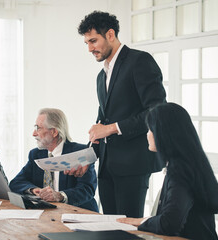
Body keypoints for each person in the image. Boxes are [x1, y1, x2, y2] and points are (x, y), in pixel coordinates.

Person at [71, 11, 166, 217]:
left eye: (93, 41)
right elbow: (102, 122)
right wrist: (87, 159)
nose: (90, 48)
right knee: (109, 229)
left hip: (133, 165)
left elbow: (156, 111)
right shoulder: (100, 76)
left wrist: (112, 128)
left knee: (126, 232)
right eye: (86, 43)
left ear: (111, 35)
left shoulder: (140, 61)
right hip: (106, 168)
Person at [117, 103, 218, 240]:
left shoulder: (181, 172)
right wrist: (142, 220)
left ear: (163, 133)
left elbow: (169, 224)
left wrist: (141, 222)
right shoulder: (188, 164)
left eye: (150, 129)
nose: (147, 135)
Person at [9, 108, 98, 212]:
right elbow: (16, 182)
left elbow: (87, 190)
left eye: (38, 128)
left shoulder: (80, 153)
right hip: (47, 214)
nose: (34, 133)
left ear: (54, 132)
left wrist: (60, 196)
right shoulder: (36, 154)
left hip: (79, 214)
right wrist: (34, 190)